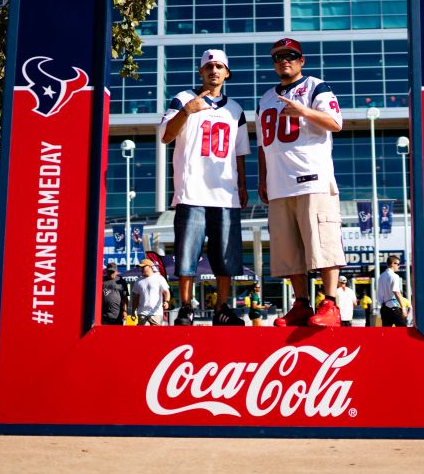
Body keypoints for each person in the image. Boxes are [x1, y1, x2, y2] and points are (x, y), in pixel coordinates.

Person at [257, 37, 346, 327]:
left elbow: (336, 122)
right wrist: (263, 179)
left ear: (301, 60)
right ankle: (301, 304)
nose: (285, 60)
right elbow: (261, 144)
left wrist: (304, 111)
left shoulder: (316, 86)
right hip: (280, 183)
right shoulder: (266, 98)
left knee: (322, 244)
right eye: (279, 57)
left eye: (291, 56)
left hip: (313, 179)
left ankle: (330, 304)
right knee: (289, 252)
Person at [158, 48, 250, 327]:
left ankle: (222, 307)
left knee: (226, 255)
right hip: (192, 190)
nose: (214, 71)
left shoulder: (236, 109)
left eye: (219, 66)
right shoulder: (184, 99)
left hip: (225, 193)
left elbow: (239, 152)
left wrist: (243, 186)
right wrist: (186, 112)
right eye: (209, 66)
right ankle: (186, 307)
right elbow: (165, 136)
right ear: (201, 71)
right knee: (187, 253)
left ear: (227, 73)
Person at [134, 258, 170, 325]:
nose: (141, 269)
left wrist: (166, 301)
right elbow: (136, 297)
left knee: (155, 335)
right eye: (140, 267)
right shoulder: (138, 281)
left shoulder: (159, 278)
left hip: (156, 313)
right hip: (142, 313)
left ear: (150, 267)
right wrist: (133, 311)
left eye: (143, 267)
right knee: (143, 335)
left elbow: (166, 292)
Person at [375, 255, 407, 327]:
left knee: (386, 334)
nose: (399, 266)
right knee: (403, 330)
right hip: (393, 307)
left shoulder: (381, 276)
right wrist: (403, 308)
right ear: (393, 263)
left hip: (384, 309)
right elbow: (397, 292)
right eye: (398, 264)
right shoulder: (394, 276)